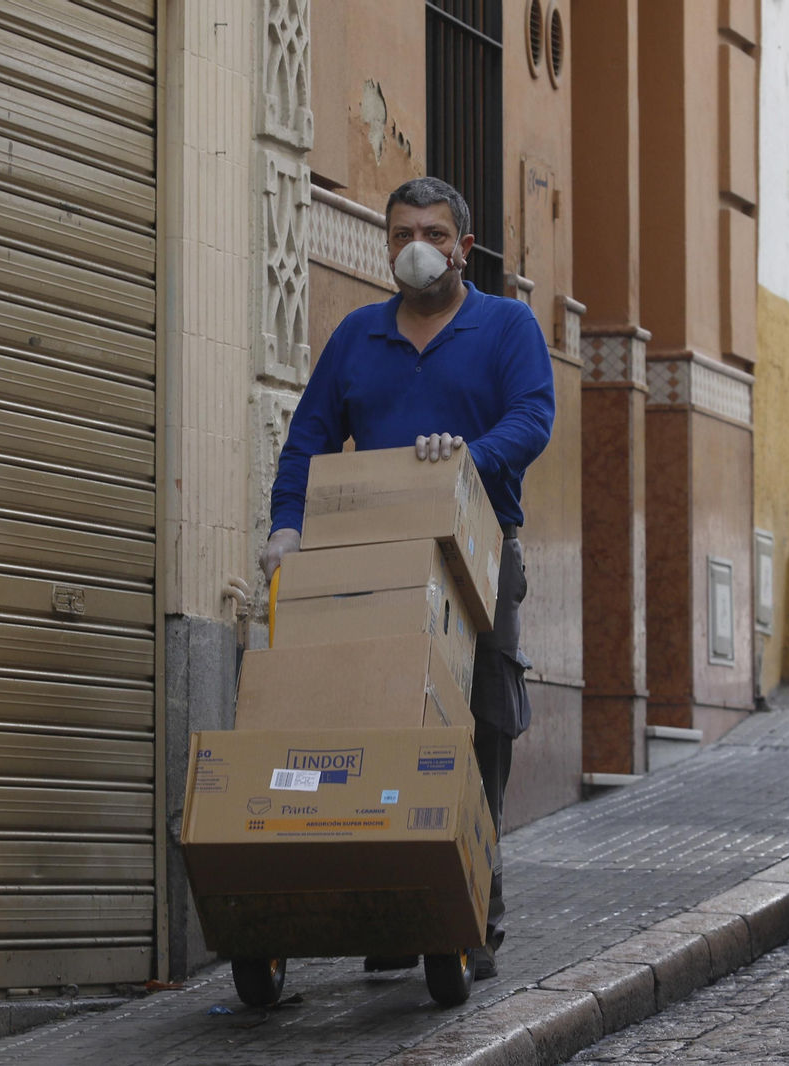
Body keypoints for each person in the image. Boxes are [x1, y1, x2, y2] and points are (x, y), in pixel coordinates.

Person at [260, 176, 555, 979]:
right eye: (398, 233)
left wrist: (464, 466)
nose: (414, 246)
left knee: (480, 727)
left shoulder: (507, 325)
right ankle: (393, 907)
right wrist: (288, 525)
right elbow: (308, 438)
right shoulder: (358, 337)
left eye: (431, 231)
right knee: (379, 721)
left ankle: (470, 908)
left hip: (483, 555)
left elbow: (532, 417)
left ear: (464, 245)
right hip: (379, 561)